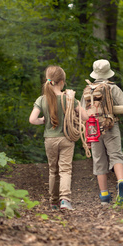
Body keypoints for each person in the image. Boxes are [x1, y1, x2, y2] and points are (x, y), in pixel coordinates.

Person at [29, 66, 88, 211]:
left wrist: (44, 120)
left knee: (52, 170)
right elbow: (85, 117)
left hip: (49, 139)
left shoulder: (42, 99)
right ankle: (65, 200)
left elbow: (32, 119)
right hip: (66, 138)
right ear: (62, 82)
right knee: (65, 170)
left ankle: (53, 202)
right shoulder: (69, 99)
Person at [82, 59, 123, 205]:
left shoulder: (88, 90)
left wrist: (86, 135)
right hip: (111, 125)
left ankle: (104, 196)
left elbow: (83, 114)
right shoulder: (113, 88)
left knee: (98, 160)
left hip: (93, 128)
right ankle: (121, 181)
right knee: (116, 156)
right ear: (108, 72)